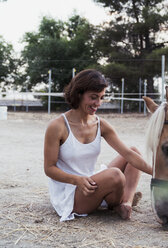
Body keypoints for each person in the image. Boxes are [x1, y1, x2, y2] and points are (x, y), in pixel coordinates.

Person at [44, 69, 152, 222]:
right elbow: (49, 169)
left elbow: (128, 154)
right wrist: (77, 180)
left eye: (101, 98)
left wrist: (157, 173)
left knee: (133, 151)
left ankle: (125, 203)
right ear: (79, 93)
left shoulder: (100, 124)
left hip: (91, 182)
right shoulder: (57, 126)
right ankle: (117, 199)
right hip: (71, 192)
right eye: (93, 97)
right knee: (115, 175)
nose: (98, 103)